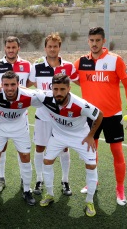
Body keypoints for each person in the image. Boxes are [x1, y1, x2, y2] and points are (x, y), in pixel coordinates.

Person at [73, 27, 127, 206]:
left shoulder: (115, 60)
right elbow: (70, 76)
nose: (94, 44)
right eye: (91, 40)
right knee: (91, 152)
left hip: (112, 115)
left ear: (103, 41)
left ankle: (120, 188)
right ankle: (93, 182)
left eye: (97, 40)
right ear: (88, 41)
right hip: (90, 116)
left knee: (117, 152)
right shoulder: (81, 62)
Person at [37, 73, 103, 217]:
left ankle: (89, 201)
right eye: (55, 89)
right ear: (51, 88)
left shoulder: (80, 104)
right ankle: (49, 194)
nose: (58, 93)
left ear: (69, 88)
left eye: (62, 89)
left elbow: (99, 115)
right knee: (47, 161)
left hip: (80, 136)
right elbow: (25, 90)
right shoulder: (46, 97)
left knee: (91, 165)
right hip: (59, 136)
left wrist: (91, 135)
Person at [28, 32, 79, 196]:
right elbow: (26, 84)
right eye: (49, 46)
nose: (52, 49)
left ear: (59, 48)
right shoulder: (36, 66)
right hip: (42, 115)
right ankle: (39, 179)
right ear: (45, 48)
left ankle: (65, 181)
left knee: (64, 148)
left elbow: (82, 81)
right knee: (40, 148)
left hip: (62, 116)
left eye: (55, 46)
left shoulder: (69, 66)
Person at [0, 36, 34, 193]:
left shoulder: (27, 65)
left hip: (20, 116)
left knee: (23, 152)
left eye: (14, 47)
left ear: (19, 48)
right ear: (4, 48)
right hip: (1, 116)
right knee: (0, 149)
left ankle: (24, 181)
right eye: (8, 47)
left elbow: (30, 84)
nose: (11, 50)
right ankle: (1, 178)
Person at [0, 71, 38, 207]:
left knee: (25, 157)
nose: (10, 88)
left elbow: (47, 95)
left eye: (13, 84)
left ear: (18, 84)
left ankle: (26, 190)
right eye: (6, 85)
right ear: (1, 84)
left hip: (20, 129)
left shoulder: (28, 95)